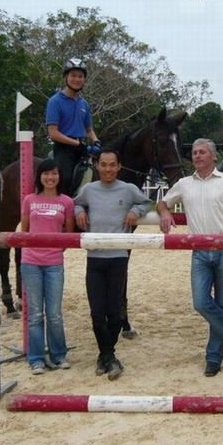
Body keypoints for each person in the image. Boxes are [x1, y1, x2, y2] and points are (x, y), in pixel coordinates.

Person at [157, 138, 223, 378]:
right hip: (199, 251)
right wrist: (164, 212)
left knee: (222, 305)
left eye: (202, 152)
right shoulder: (184, 184)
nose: (197, 156)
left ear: (213, 156)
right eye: (194, 152)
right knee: (201, 303)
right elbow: (162, 202)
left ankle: (214, 357)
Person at [73, 149, 152, 380]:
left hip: (118, 258)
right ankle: (109, 357)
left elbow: (148, 203)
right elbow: (75, 204)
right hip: (94, 258)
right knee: (97, 313)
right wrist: (79, 211)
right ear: (97, 166)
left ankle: (105, 356)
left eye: (112, 165)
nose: (108, 169)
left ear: (119, 167)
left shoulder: (128, 189)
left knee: (115, 314)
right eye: (104, 165)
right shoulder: (88, 190)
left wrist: (135, 210)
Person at [19, 158, 75, 375]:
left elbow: (67, 234)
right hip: (30, 262)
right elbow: (25, 229)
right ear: (39, 176)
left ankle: (59, 355)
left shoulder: (66, 202)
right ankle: (36, 359)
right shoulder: (29, 200)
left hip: (54, 264)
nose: (50, 178)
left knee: (54, 313)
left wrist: (54, 253)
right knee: (34, 313)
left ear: (59, 177)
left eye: (54, 173)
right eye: (46, 173)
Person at [46, 57, 101, 196]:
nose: (77, 79)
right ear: (66, 77)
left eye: (80, 76)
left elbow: (89, 130)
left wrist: (97, 142)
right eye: (73, 75)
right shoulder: (55, 101)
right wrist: (76, 144)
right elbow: (53, 133)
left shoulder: (84, 104)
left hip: (81, 148)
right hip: (63, 149)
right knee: (65, 179)